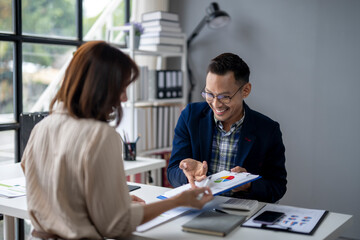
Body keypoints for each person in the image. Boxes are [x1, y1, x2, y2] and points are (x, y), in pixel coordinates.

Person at [21, 41, 213, 240]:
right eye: (121, 88)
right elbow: (116, 225)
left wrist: (106, 202)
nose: (124, 98)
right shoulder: (100, 135)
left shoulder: (42, 127)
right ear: (100, 88)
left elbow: (47, 185)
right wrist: (178, 201)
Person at [167, 53, 287, 203]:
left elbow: (277, 186)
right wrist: (187, 174)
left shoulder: (268, 130)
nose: (216, 104)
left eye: (224, 97)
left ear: (245, 90)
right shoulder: (190, 116)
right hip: (199, 207)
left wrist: (248, 184)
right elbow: (172, 172)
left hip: (241, 213)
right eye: (209, 94)